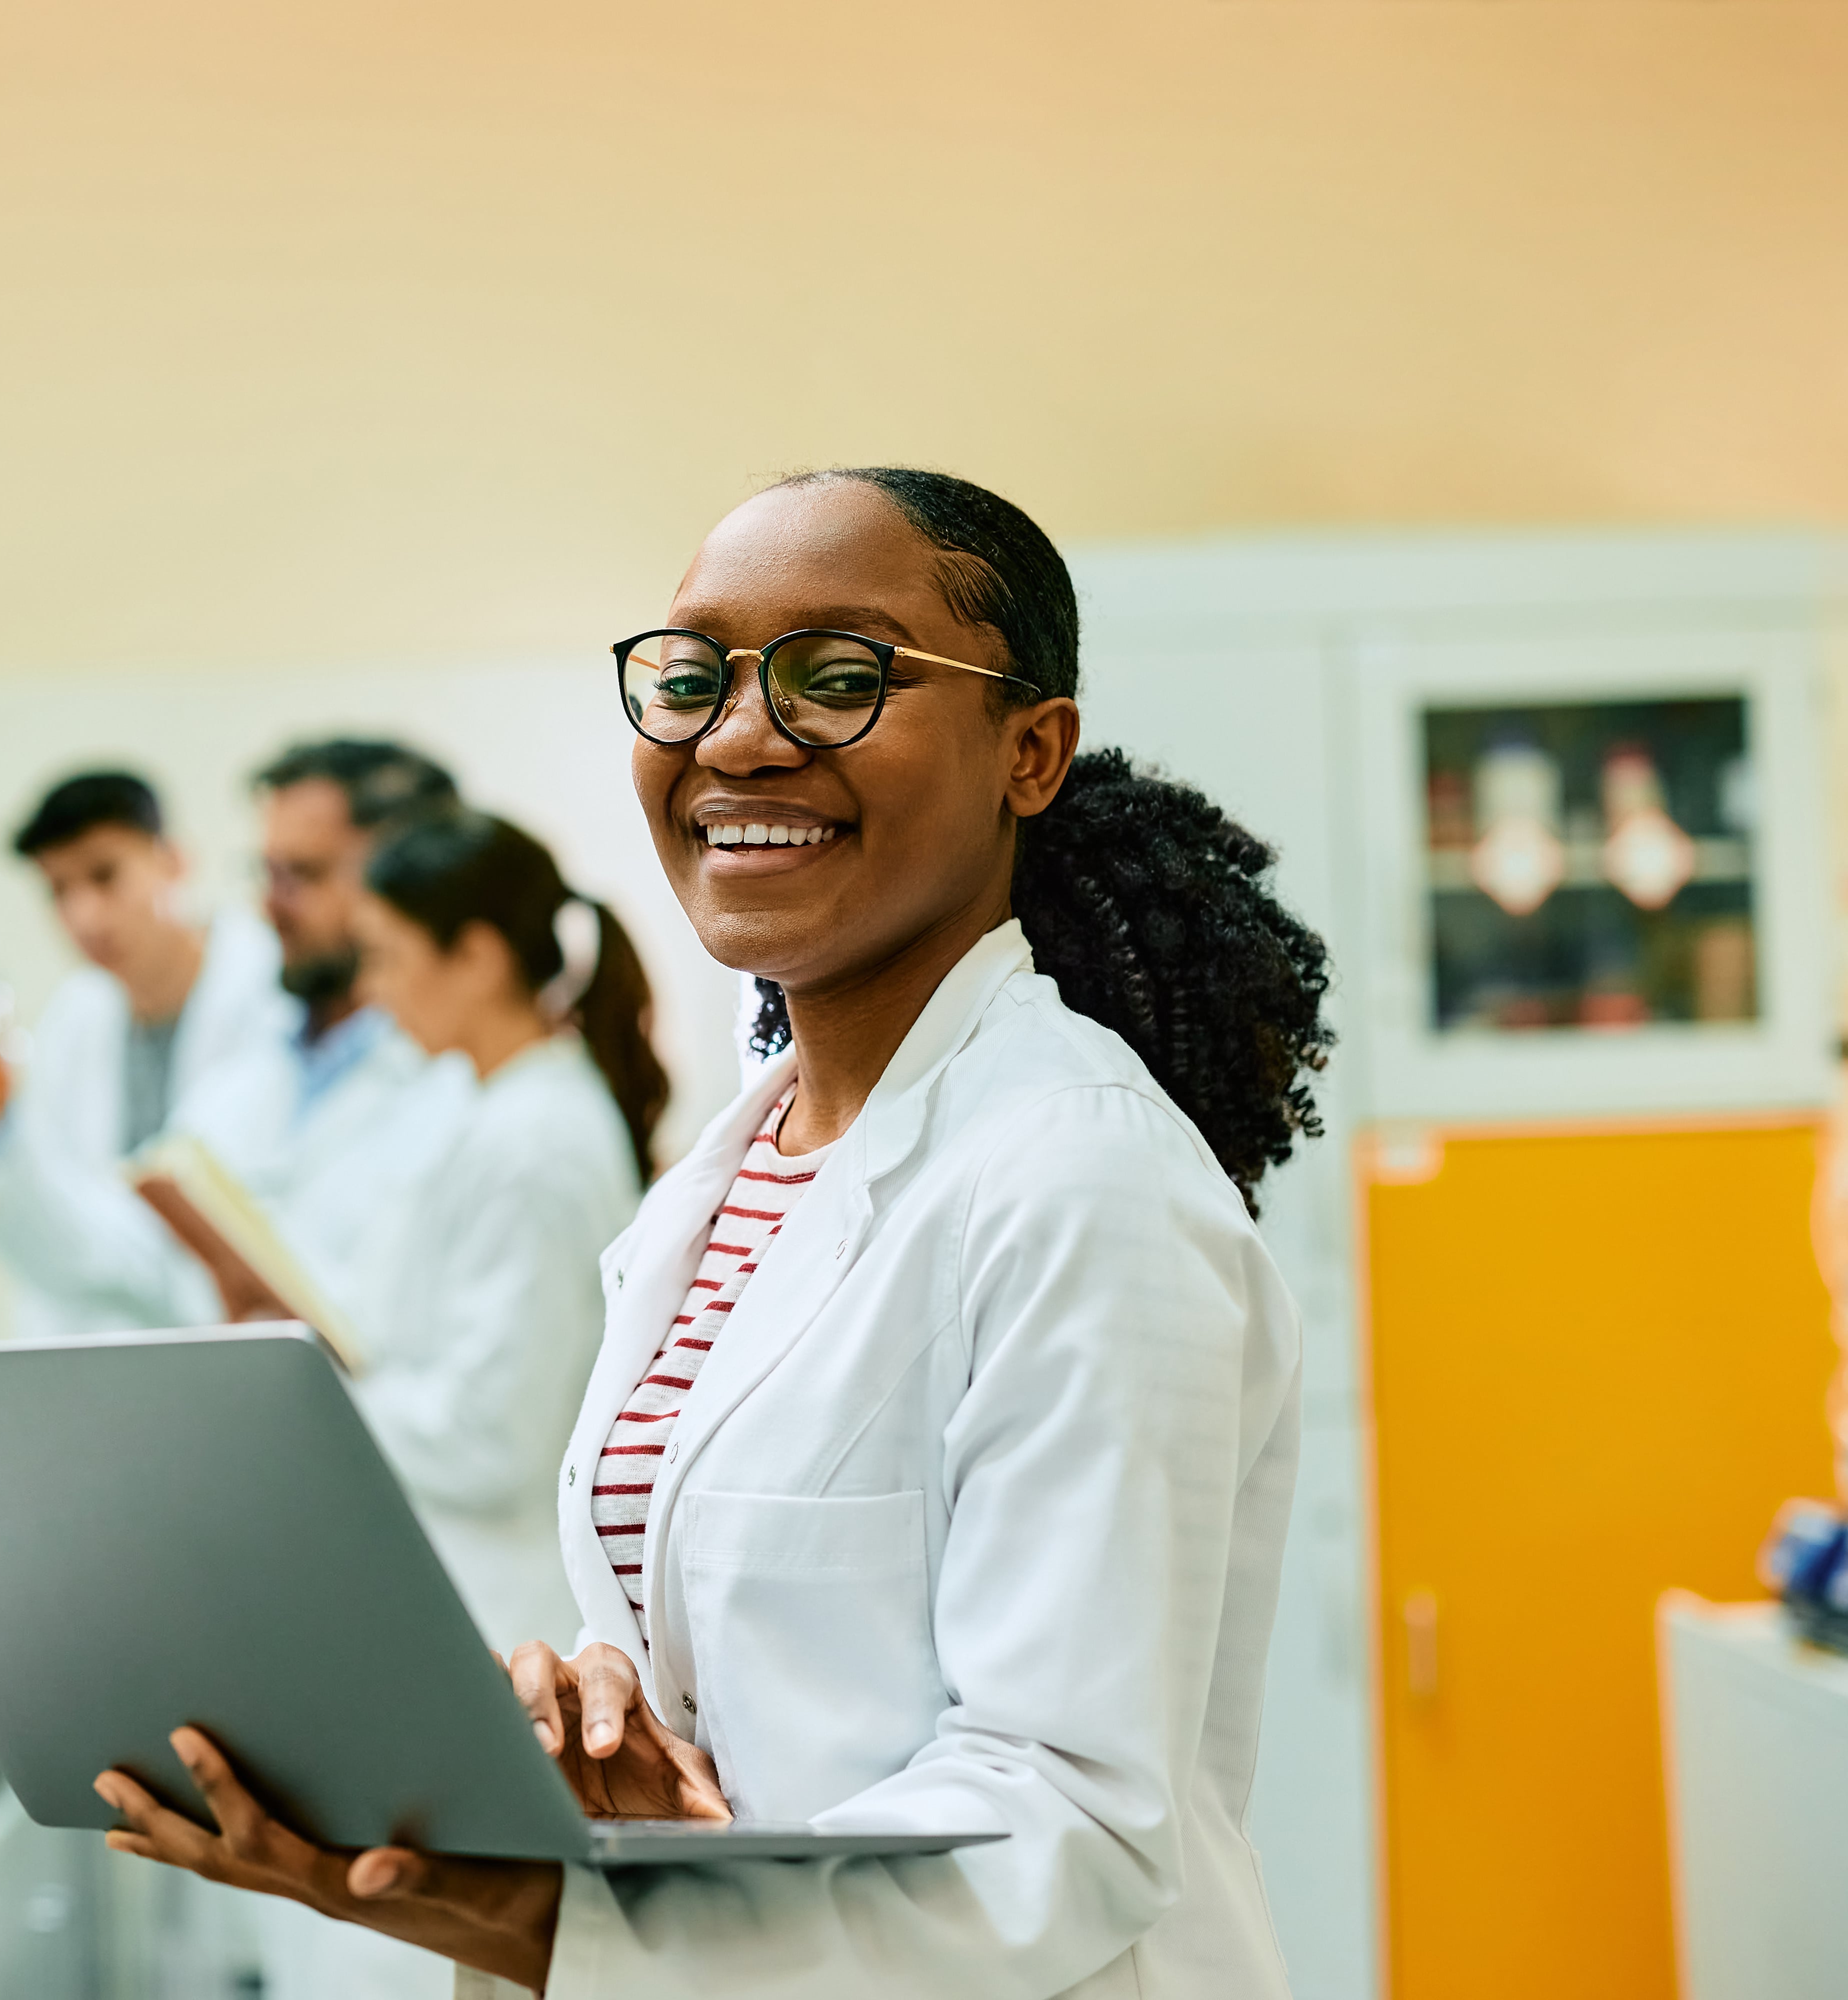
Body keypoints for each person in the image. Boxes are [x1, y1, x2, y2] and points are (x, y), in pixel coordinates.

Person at [93, 466, 1334, 1999]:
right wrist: (600, 1712)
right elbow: (769, 1676)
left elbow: (1057, 1824)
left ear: (1030, 750)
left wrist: (519, 1916)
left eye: (838, 675)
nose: (737, 736)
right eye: (688, 678)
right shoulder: (734, 1175)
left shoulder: (1078, 1182)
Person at [244, 808, 662, 2000]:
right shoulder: (496, 1110)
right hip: (447, 1587)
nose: (370, 991)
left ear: (475, 955)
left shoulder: (535, 1138)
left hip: (491, 1594)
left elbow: (493, 1435)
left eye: (387, 955)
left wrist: (309, 1393)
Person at [0, 770, 290, 1341]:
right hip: (111, 1357)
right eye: (59, 891)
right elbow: (67, 1235)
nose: (84, 917)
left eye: (105, 875)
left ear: (174, 861)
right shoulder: (76, 1018)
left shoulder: (272, 998)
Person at [194, 740, 476, 1306]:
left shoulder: (460, 1083)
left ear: (406, 874)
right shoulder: (252, 1052)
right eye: (265, 872)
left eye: (302, 874)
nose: (269, 905)